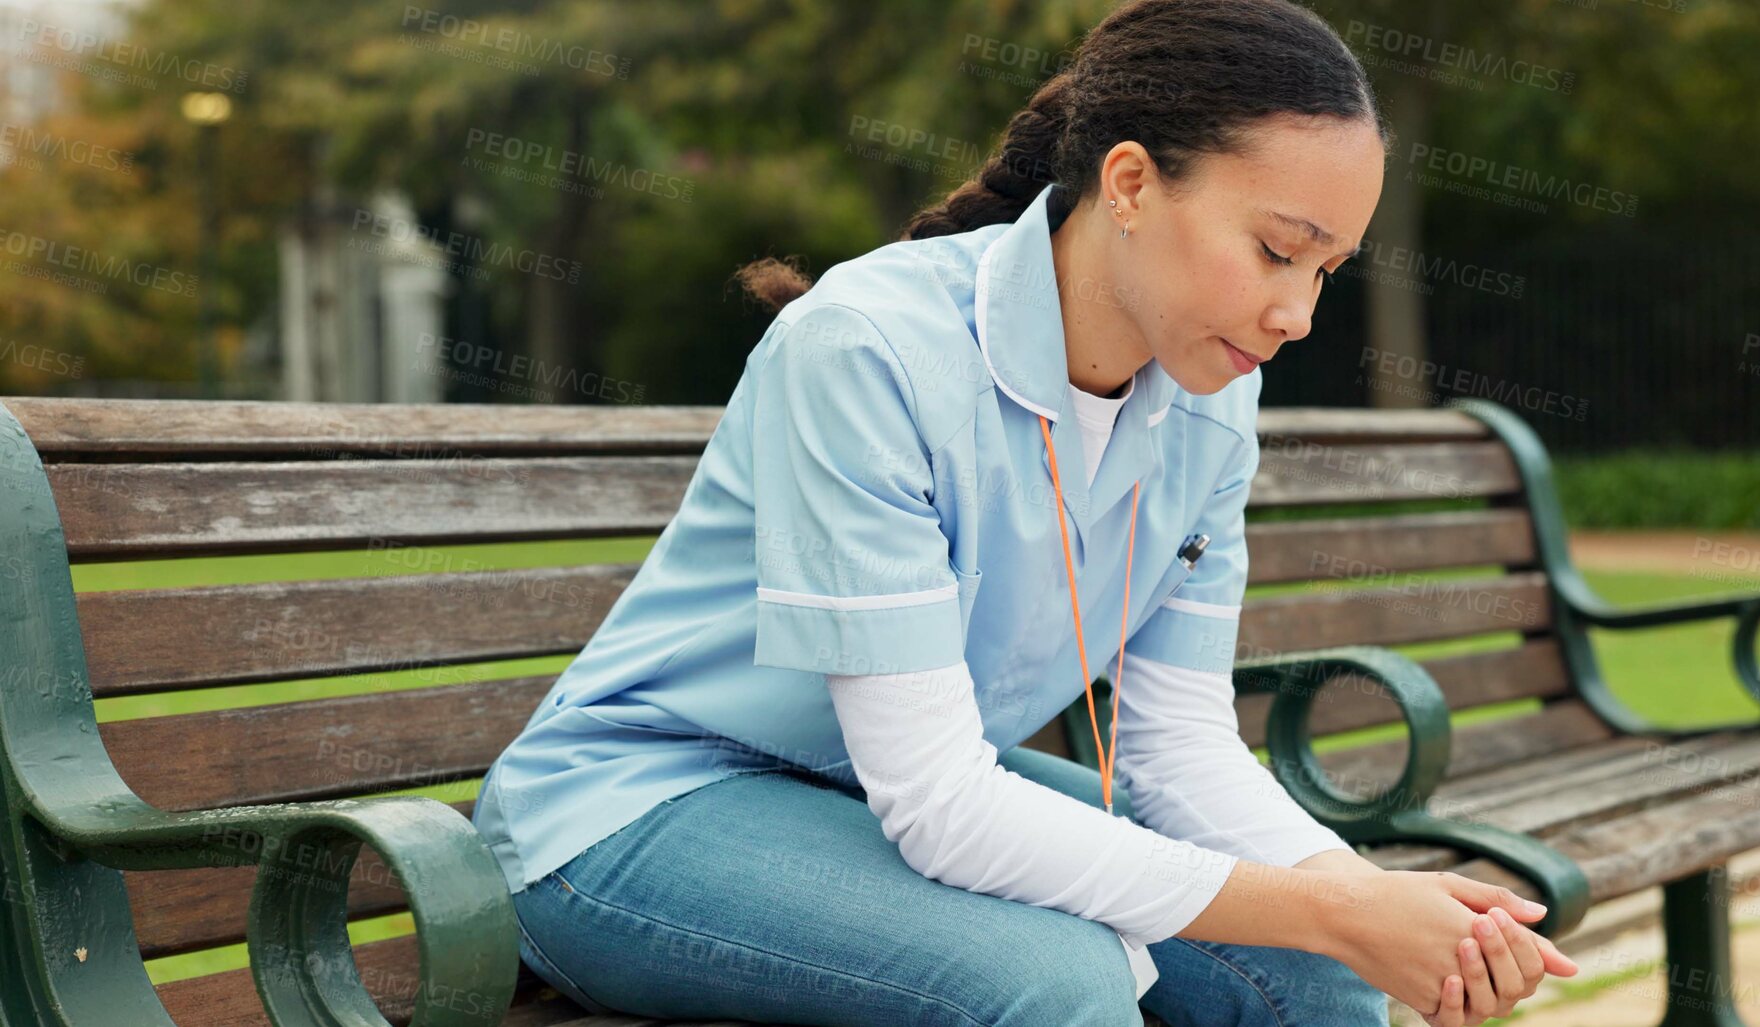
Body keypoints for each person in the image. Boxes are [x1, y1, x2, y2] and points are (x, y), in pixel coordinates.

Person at [473, 1, 1578, 1024]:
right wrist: (1339, 910)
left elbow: (1179, 745)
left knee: (1317, 973)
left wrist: (1360, 900)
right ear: (1132, 183)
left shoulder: (1214, 393)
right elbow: (942, 804)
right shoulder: (867, 347)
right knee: (1056, 981)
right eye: (1277, 251)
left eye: (1328, 270)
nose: (1296, 313)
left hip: (872, 798)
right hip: (636, 812)